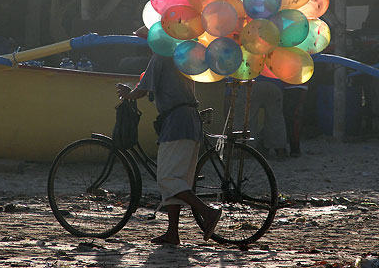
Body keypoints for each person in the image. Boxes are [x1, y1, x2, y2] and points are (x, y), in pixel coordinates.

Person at [116, 53, 222, 245]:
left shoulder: (161, 56)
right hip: (189, 121)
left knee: (167, 178)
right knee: (178, 179)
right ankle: (172, 233)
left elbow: (144, 89)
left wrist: (128, 93)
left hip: (177, 123)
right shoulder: (184, 54)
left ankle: (208, 212)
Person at [231, 77, 288, 158]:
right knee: (276, 119)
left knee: (246, 118)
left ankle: (245, 148)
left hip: (251, 84)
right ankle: (280, 150)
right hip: (275, 85)